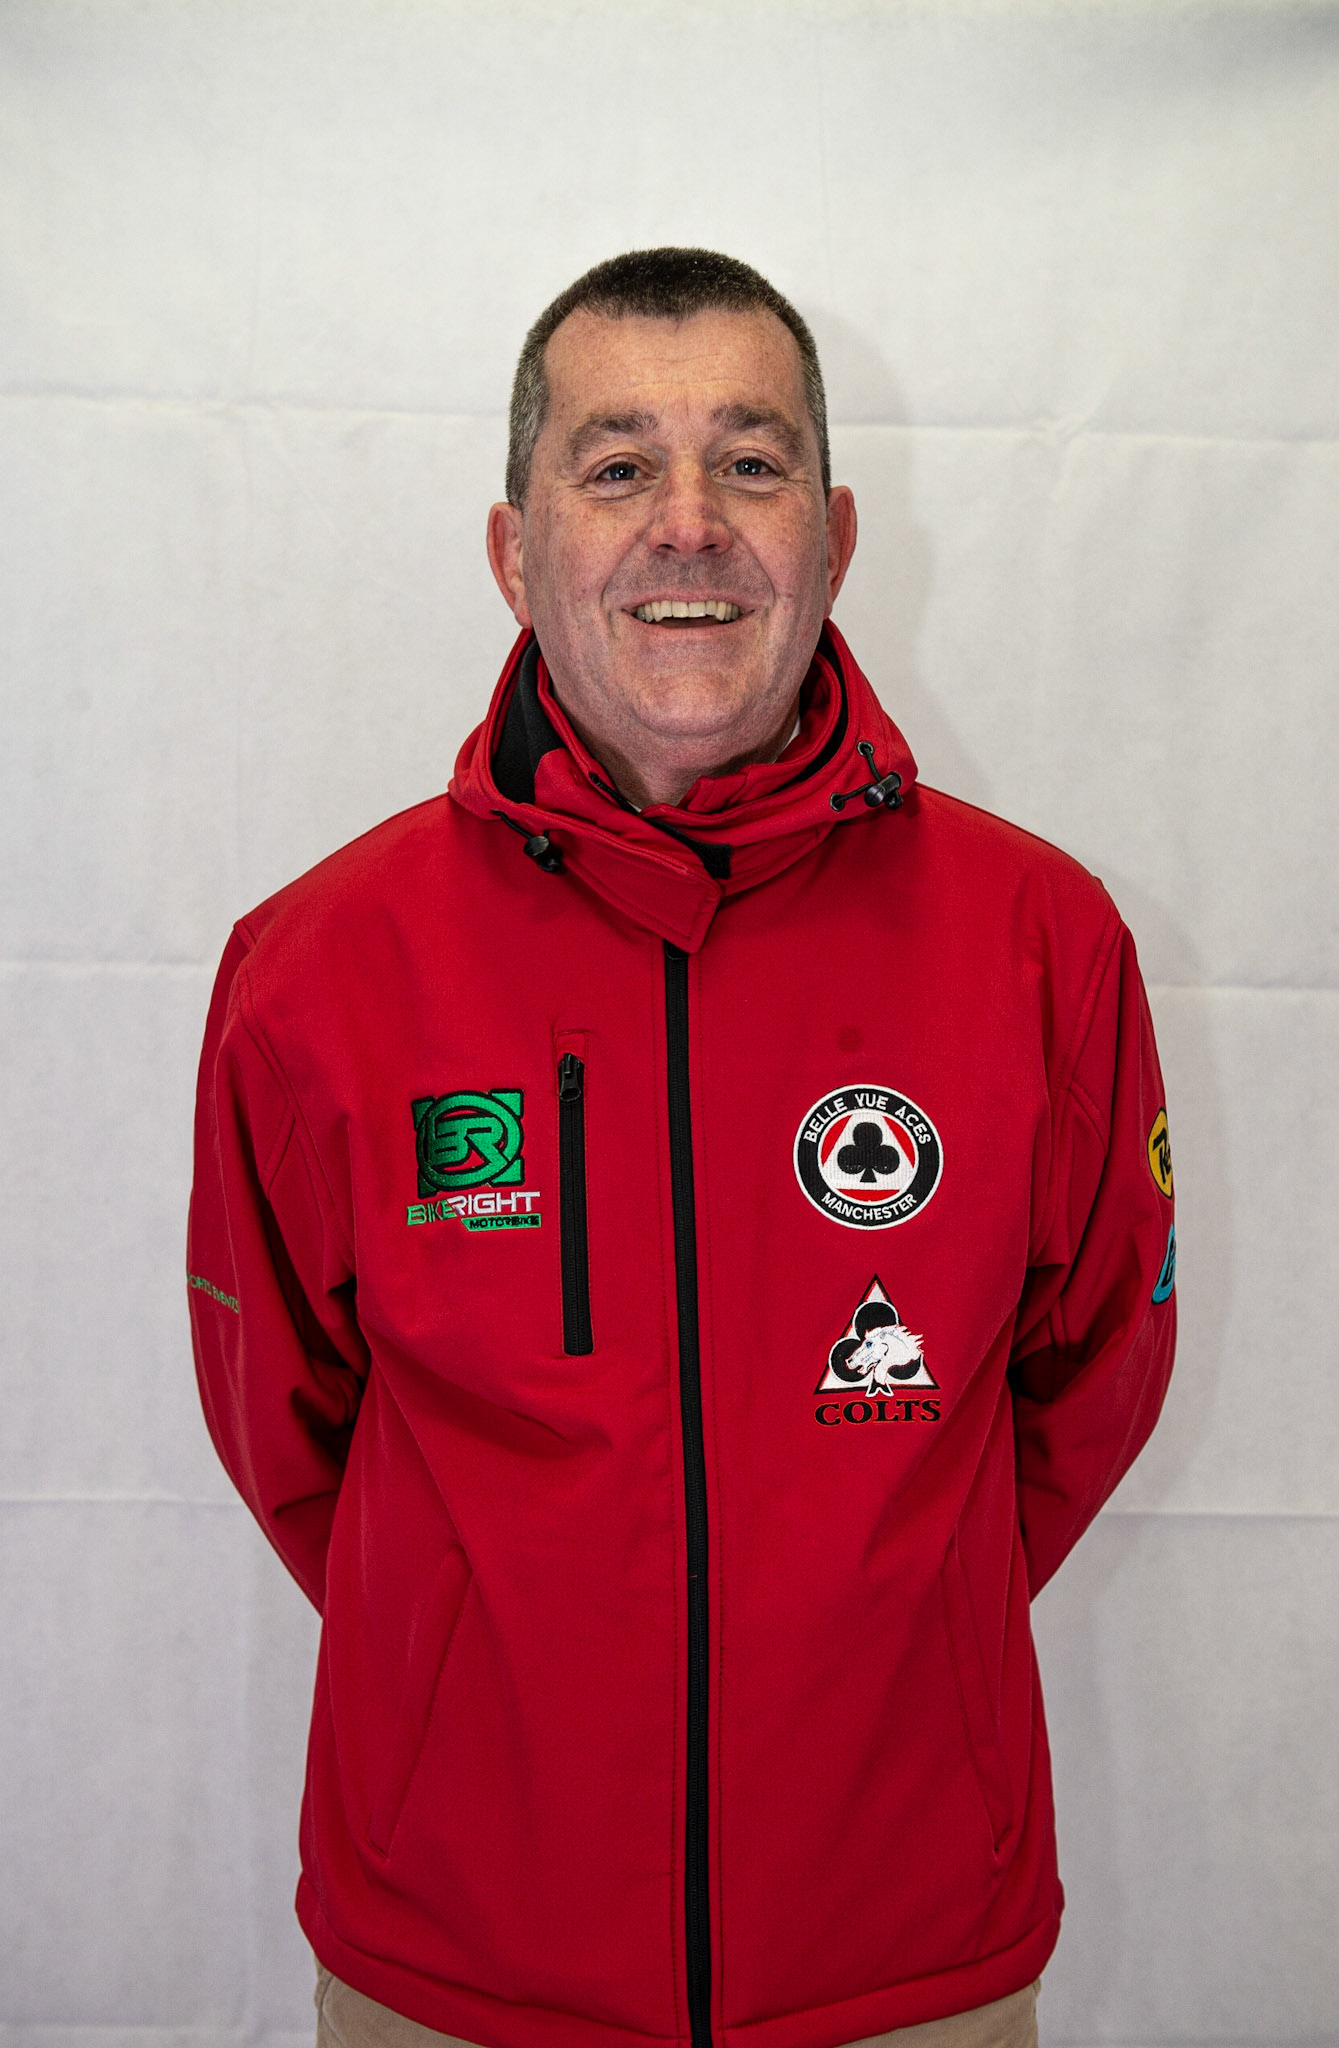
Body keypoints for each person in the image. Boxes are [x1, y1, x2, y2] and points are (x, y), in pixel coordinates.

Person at [187, 248, 1177, 2048]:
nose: (691, 522)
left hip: (905, 1957)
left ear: (837, 534)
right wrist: (474, 1665)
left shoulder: (1043, 945)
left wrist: (895, 1638)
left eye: (753, 459)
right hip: (457, 1965)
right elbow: (289, 1428)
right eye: (619, 464)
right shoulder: (318, 968)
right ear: (515, 551)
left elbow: (1089, 1380)